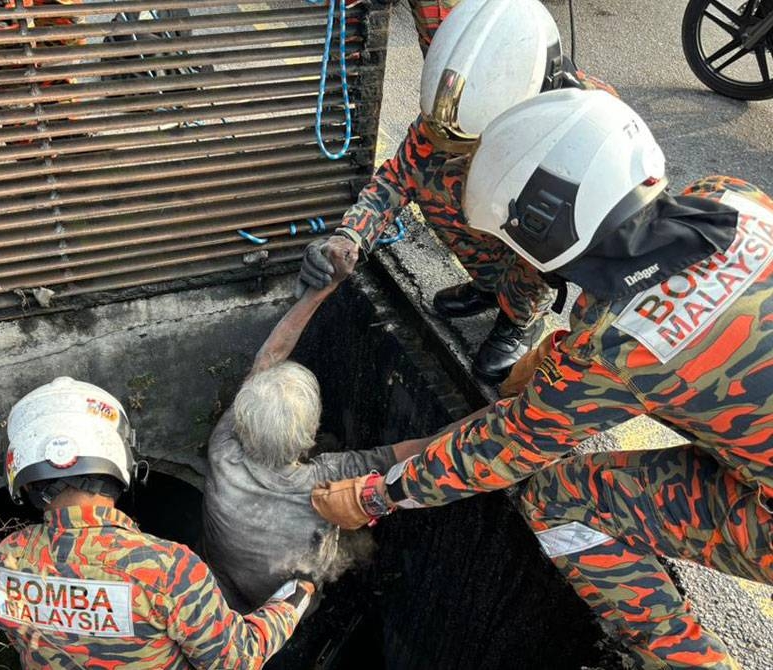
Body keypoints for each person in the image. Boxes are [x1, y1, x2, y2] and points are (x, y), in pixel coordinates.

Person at [310, 89, 772, 670]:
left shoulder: (616, 345)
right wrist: (564, 352)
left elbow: (504, 448)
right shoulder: (733, 196)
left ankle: (683, 659)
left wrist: (375, 495)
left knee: (559, 500)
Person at [296, 0, 617, 383]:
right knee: (432, 179)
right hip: (501, 166)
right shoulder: (463, 85)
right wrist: (351, 234)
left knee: (543, 224)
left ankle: (520, 314)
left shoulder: (589, 123)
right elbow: (397, 179)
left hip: (545, 216)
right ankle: (490, 283)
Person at [0, 376, 315, 669]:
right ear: (120, 461)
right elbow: (238, 660)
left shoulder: (5, 561)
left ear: (23, 480)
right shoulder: (169, 570)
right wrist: (292, 600)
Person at [203, 246, 426, 612]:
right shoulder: (324, 480)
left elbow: (269, 358)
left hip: (220, 590)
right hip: (283, 615)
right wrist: (504, 422)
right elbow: (413, 450)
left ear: (242, 418)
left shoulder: (222, 446)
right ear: (310, 433)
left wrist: (322, 289)